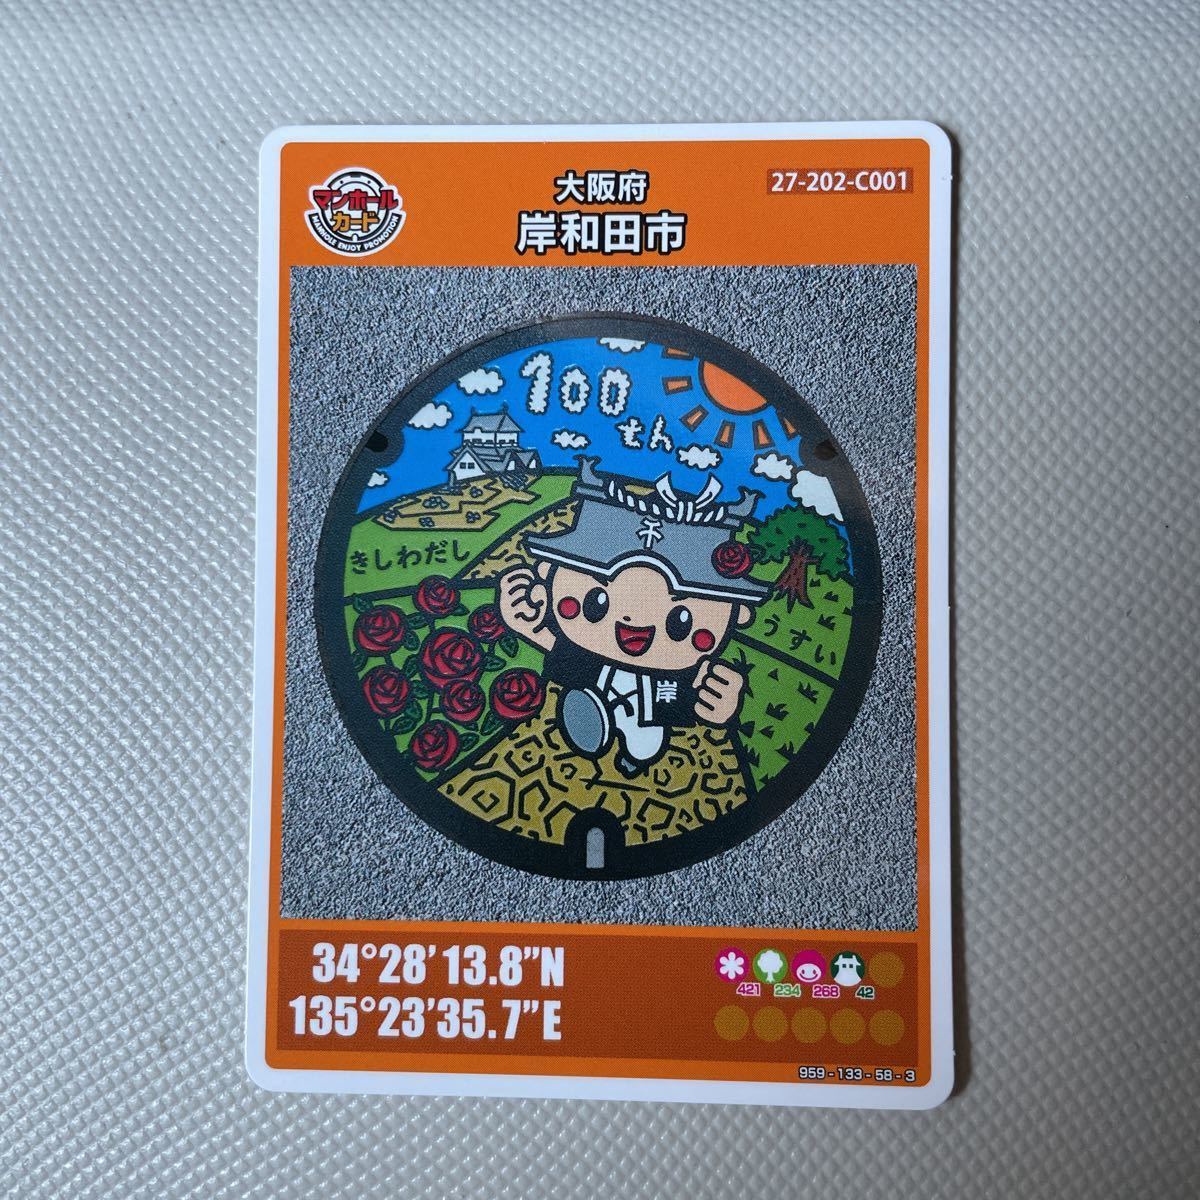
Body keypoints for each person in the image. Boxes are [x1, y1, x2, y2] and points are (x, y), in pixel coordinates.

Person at [499, 458, 768, 775]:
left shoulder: (677, 674)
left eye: (679, 621)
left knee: (646, 740)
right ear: (548, 572)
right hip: (595, 688)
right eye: (596, 603)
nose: (634, 621)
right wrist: (527, 626)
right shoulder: (586, 651)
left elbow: (696, 699)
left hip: (651, 704)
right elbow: (559, 648)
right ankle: (594, 723)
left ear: (738, 613)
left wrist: (720, 704)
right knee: (591, 694)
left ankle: (633, 758)